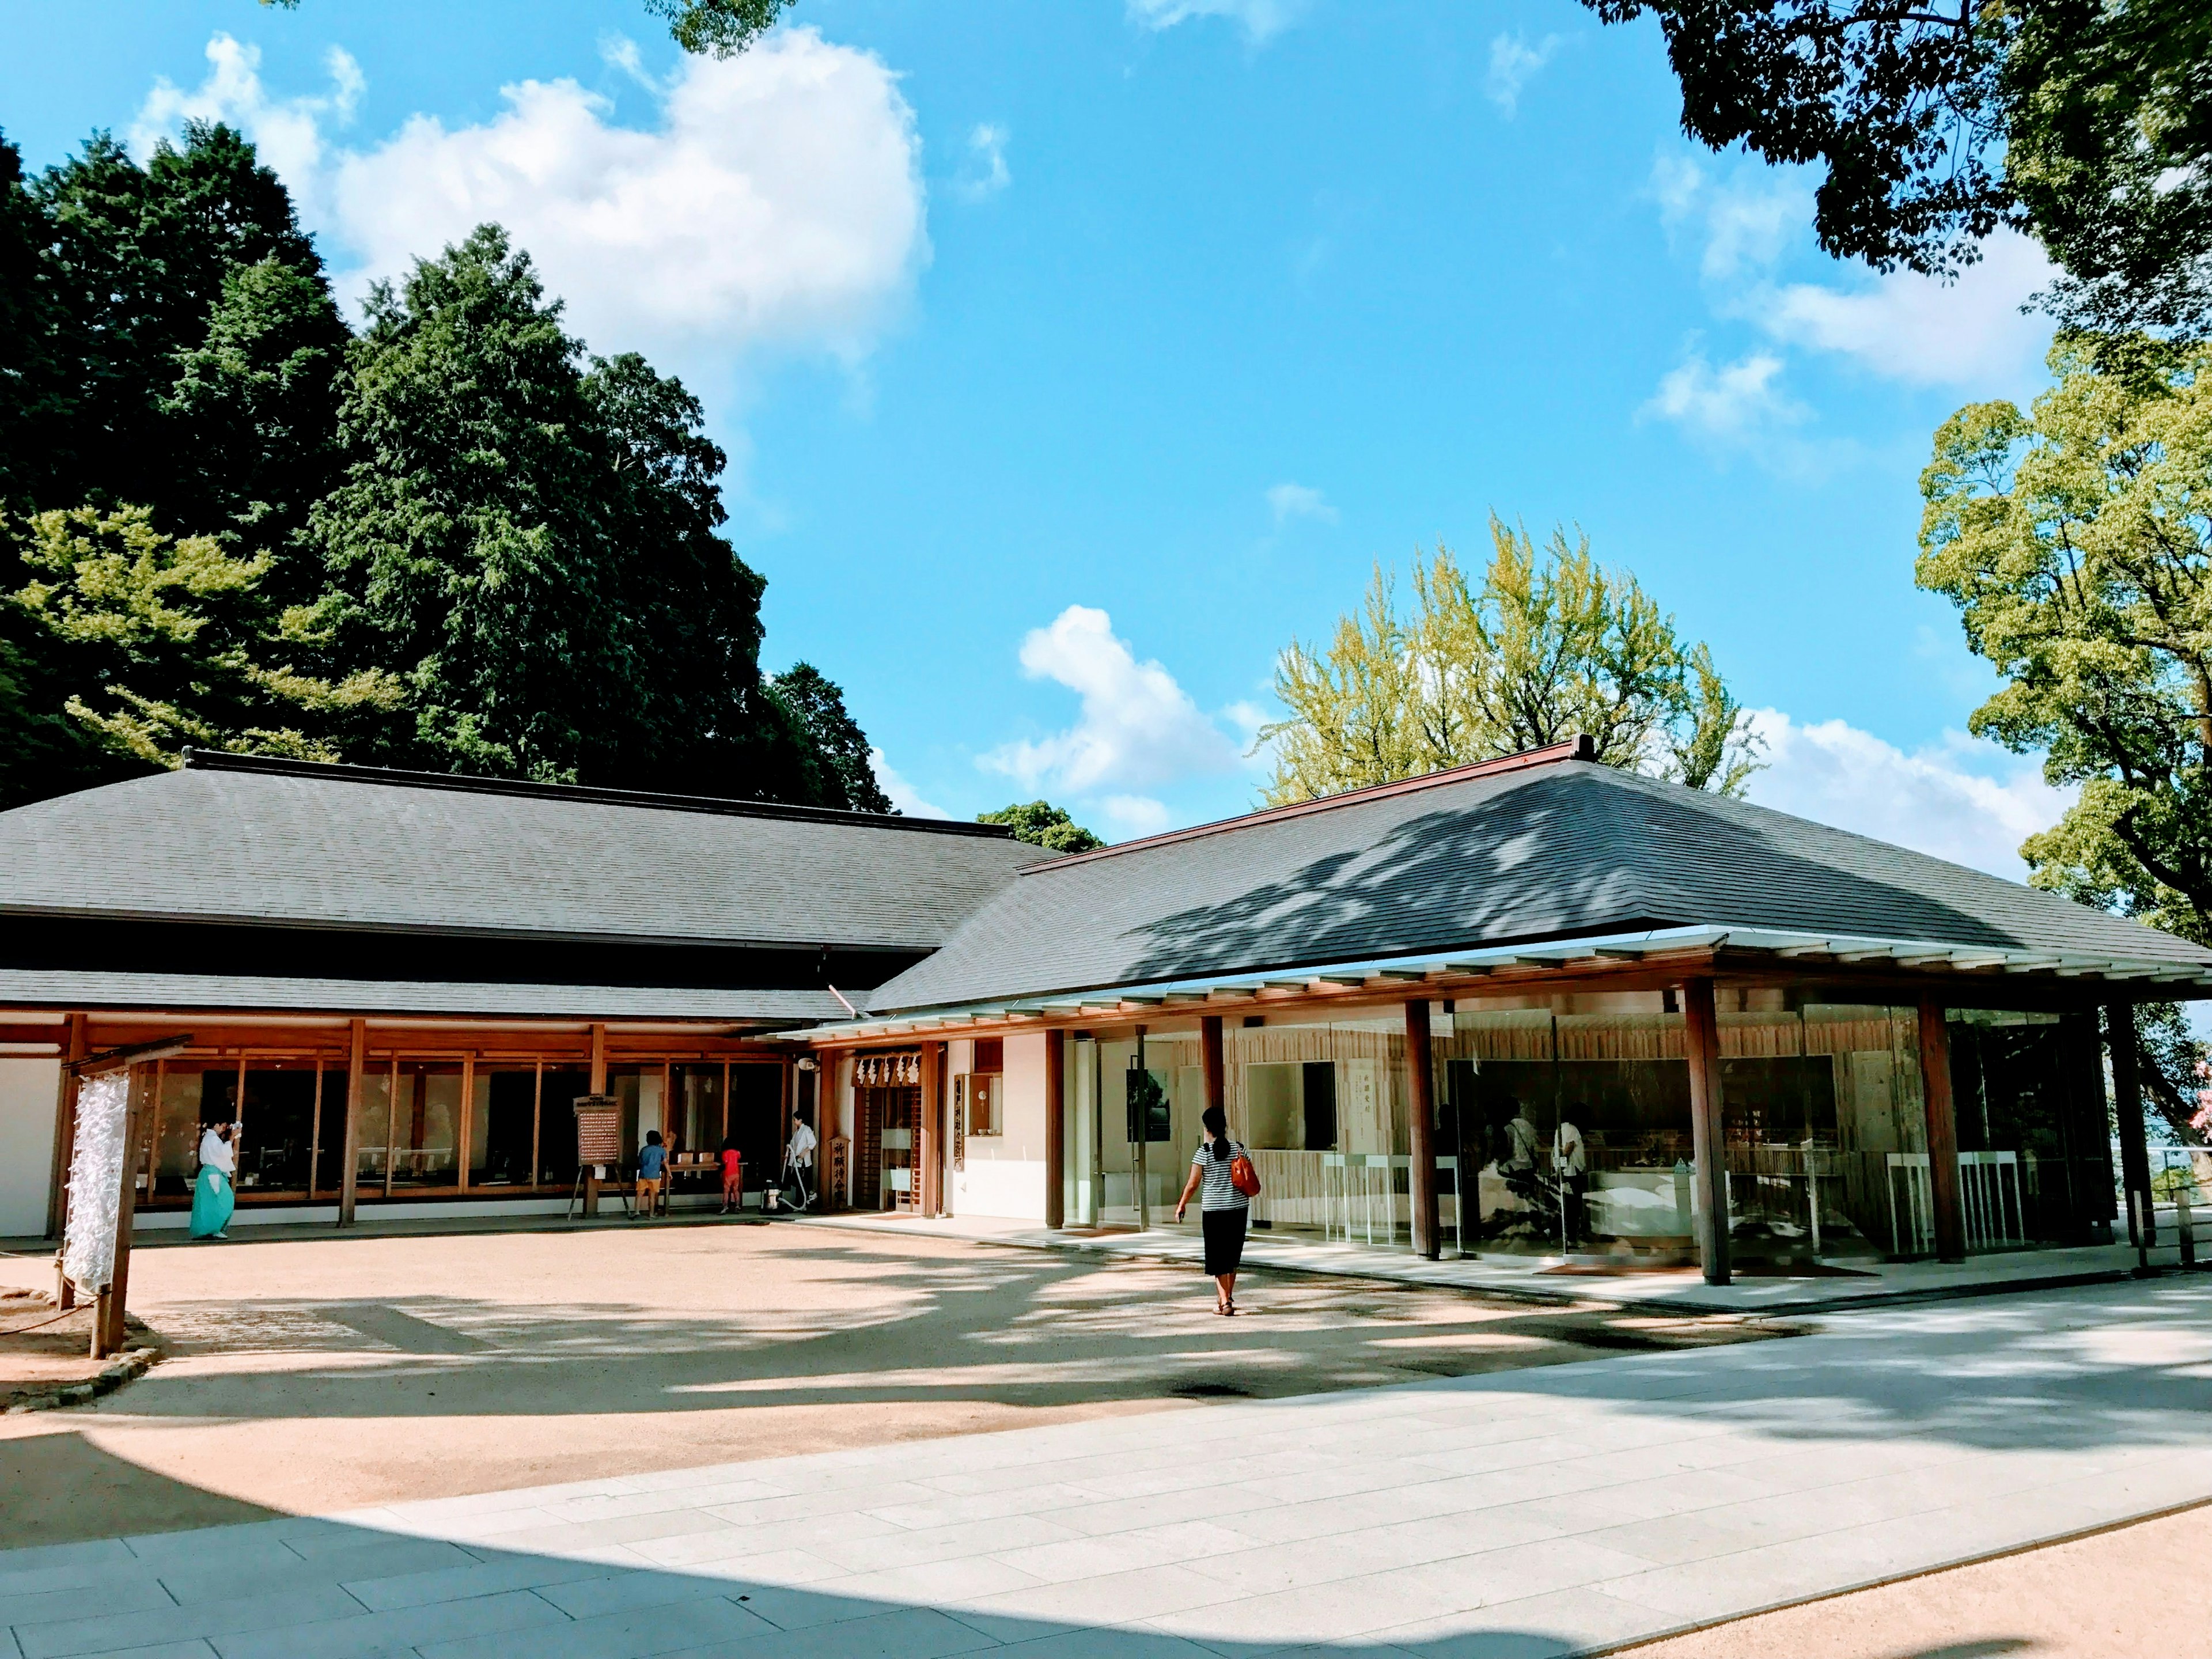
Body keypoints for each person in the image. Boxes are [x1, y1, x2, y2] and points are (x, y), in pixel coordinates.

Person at [1174, 1104, 1251, 1315]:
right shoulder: (1239, 1148)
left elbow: (1193, 1183)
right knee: (1232, 1255)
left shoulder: (1203, 1152)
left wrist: (1182, 1204)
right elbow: (1247, 1175)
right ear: (1225, 1126)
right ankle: (1226, 1297)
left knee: (1218, 1257)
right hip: (1238, 1208)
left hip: (1214, 1211)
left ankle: (1225, 1302)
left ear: (1207, 1128)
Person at [190, 1119, 238, 1240]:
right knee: (225, 1201)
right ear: (216, 1124)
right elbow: (223, 1153)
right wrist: (231, 1138)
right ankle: (215, 1229)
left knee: (208, 1203)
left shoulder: (209, 1138)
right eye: (222, 1126)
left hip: (209, 1174)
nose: (223, 1129)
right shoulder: (212, 1139)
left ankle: (209, 1229)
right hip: (213, 1175)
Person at [635, 1129, 667, 1219]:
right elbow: (665, 1162)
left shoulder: (644, 1150)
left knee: (639, 1194)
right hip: (655, 1175)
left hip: (643, 1174)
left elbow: (640, 1161)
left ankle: (637, 1212)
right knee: (652, 1195)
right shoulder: (661, 1150)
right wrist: (669, 1173)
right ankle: (651, 1214)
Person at [718, 1135, 744, 1214]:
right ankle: (737, 1206)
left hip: (728, 1173)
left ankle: (725, 1207)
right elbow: (739, 1157)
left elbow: (725, 1162)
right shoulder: (737, 1153)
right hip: (736, 1173)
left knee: (726, 1191)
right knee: (736, 1190)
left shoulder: (725, 1153)